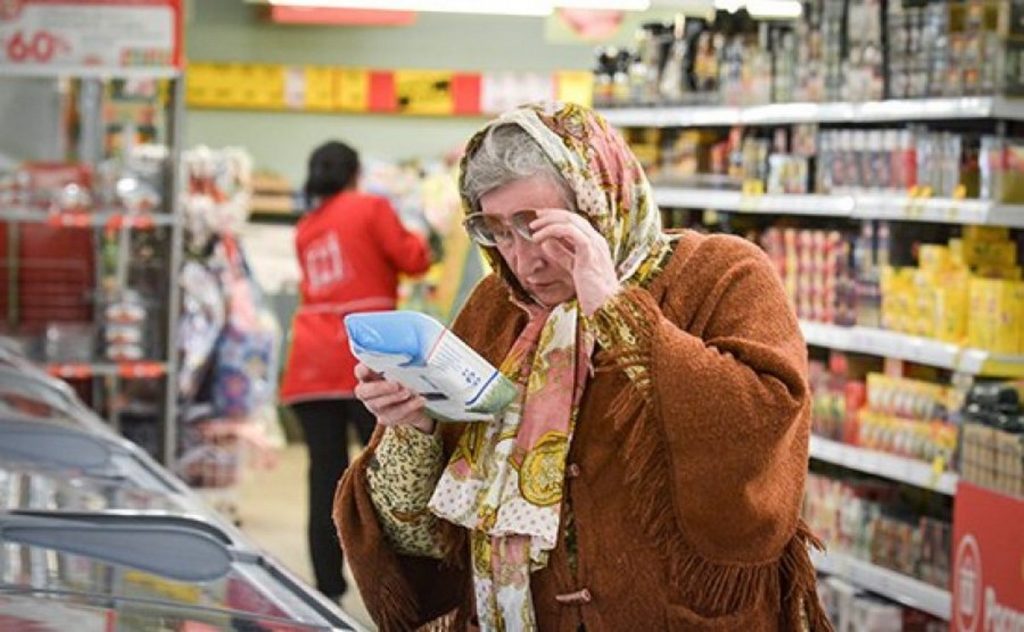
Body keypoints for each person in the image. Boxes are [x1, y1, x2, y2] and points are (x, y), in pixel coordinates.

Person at [334, 103, 831, 631]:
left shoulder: (721, 272)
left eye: (538, 226)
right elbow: (425, 533)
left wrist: (615, 308)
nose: (525, 260)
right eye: (499, 231)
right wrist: (415, 425)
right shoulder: (495, 308)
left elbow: (763, 420)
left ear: (598, 203)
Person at [279, 140, 431, 602]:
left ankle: (326, 589)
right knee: (388, 473)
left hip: (309, 360)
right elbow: (414, 260)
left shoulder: (306, 226)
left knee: (324, 475)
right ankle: (394, 587)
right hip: (367, 359)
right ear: (355, 172)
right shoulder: (372, 208)